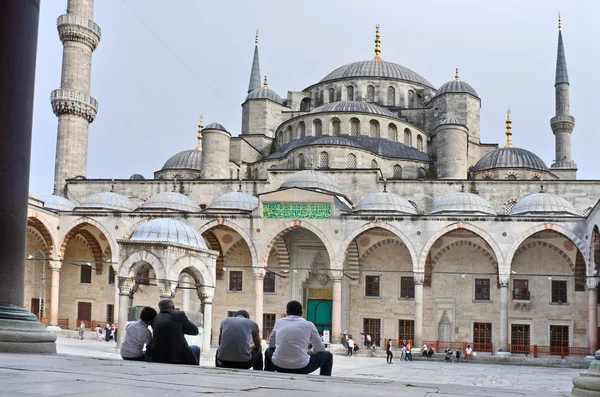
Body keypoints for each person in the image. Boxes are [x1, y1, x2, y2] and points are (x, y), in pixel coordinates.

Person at [264, 300, 333, 376]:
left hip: (278, 366)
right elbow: (320, 349)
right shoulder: (309, 325)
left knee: (268, 351)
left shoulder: (279, 323)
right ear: (301, 313)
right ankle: (324, 381)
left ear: (286, 313)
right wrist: (309, 351)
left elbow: (271, 345)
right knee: (328, 355)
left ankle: (268, 376)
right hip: (302, 367)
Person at [145, 298, 200, 365]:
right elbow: (195, 331)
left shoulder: (155, 319)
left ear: (160, 308)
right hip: (177, 355)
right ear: (173, 307)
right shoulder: (179, 315)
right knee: (196, 349)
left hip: (157, 355)